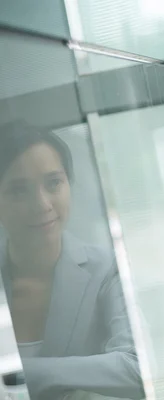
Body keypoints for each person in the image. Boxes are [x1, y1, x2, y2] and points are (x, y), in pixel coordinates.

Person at [0, 122, 145, 399]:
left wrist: (24, 372)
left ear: (69, 184)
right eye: (19, 190)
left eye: (53, 182)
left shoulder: (106, 268)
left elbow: (137, 366)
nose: (42, 204)